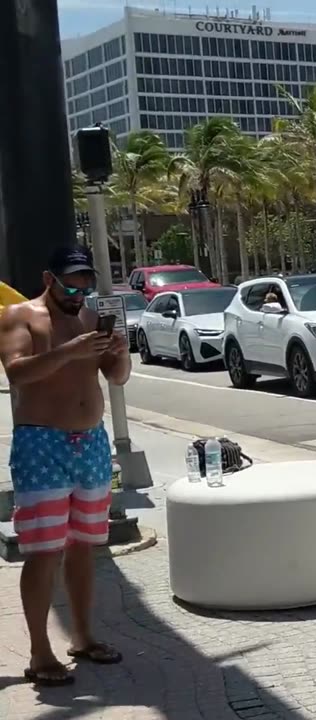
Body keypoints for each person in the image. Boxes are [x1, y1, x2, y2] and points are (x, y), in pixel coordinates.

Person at [0, 245, 131, 686]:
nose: (79, 293)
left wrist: (120, 351)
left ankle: (84, 636)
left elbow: (116, 376)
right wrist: (71, 350)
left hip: (91, 442)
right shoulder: (20, 316)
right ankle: (40, 653)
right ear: (48, 279)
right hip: (42, 444)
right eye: (70, 285)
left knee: (84, 546)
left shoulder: (91, 318)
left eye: (85, 285)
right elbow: (17, 373)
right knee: (43, 551)